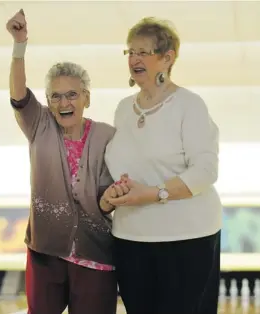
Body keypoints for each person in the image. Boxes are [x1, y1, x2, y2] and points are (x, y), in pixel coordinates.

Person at [102, 17, 222, 314]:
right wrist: (109, 195)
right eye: (130, 52)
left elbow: (205, 171)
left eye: (143, 52)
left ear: (167, 58)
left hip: (187, 239)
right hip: (131, 238)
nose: (134, 58)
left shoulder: (189, 105)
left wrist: (155, 193)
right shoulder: (122, 109)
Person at [6, 9, 122, 314]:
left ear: (86, 97)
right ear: (47, 101)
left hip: (95, 253)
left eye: (72, 95)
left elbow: (105, 197)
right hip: (46, 251)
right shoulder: (39, 124)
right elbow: (19, 96)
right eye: (55, 96)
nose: (63, 103)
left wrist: (110, 199)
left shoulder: (107, 136)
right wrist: (19, 46)